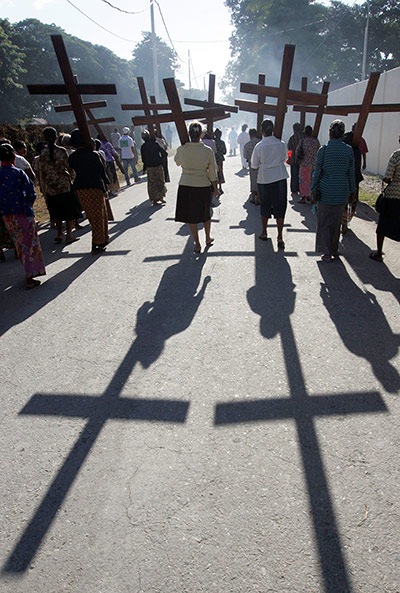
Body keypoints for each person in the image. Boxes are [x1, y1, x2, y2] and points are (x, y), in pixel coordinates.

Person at [0, 143, 46, 288]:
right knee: (30, 244)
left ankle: (29, 273)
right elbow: (31, 193)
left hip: (7, 216)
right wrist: (27, 205)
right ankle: (30, 276)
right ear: (13, 157)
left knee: (19, 244)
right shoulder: (18, 173)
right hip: (23, 213)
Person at [310, 120, 356, 262]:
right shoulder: (348, 150)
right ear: (342, 134)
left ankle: (327, 252)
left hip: (325, 192)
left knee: (324, 222)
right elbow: (351, 173)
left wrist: (313, 189)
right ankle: (334, 248)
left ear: (330, 133)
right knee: (336, 223)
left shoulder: (323, 150)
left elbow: (317, 172)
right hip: (342, 192)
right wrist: (352, 191)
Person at [175, 122, 218, 253]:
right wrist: (215, 189)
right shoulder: (207, 151)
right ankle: (207, 238)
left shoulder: (181, 149)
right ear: (201, 134)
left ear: (189, 134)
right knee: (205, 214)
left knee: (191, 216)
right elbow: (212, 173)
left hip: (186, 184)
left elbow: (177, 162)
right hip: (203, 185)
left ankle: (197, 243)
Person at [68, 129, 110, 254]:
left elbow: (72, 171)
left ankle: (101, 240)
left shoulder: (73, 157)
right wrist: (106, 185)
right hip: (95, 187)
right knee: (100, 215)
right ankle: (97, 242)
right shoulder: (94, 154)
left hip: (81, 188)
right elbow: (102, 172)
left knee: (92, 216)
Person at [38, 127, 81, 244]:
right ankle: (69, 235)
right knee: (69, 211)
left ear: (44, 139)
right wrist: (72, 177)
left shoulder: (42, 155)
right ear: (57, 137)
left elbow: (41, 173)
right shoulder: (62, 151)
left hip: (51, 187)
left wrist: (44, 187)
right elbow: (68, 167)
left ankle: (59, 234)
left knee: (56, 212)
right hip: (64, 185)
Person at [251, 119, 289, 248]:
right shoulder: (281, 143)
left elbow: (254, 165)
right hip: (280, 176)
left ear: (262, 130)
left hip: (264, 178)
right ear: (272, 129)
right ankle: (280, 236)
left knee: (265, 205)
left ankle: (264, 231)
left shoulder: (259, 146)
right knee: (280, 206)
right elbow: (285, 158)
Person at [370, 134, 400, 262]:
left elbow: (388, 176)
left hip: (393, 194)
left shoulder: (396, 155)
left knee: (383, 224)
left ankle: (379, 253)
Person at [342, 126, 364, 233]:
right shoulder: (356, 151)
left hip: (345, 181)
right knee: (353, 202)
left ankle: (344, 223)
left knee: (344, 203)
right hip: (354, 181)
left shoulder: (345, 151)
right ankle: (346, 222)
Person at [140, 130, 167, 205]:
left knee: (152, 183)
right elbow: (164, 153)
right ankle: (161, 197)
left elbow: (143, 159)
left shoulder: (143, 147)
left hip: (149, 167)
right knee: (160, 180)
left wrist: (146, 164)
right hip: (158, 165)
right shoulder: (155, 144)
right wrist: (161, 160)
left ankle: (154, 199)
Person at [295, 125, 320, 203]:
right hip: (314, 164)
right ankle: (311, 196)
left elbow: (297, 151)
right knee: (312, 181)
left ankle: (303, 197)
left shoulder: (302, 141)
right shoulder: (316, 142)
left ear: (305, 133)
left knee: (303, 181)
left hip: (304, 164)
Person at [243, 128, 260, 204]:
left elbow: (245, 155)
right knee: (259, 180)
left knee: (253, 180)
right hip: (260, 164)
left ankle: (253, 197)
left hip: (252, 164)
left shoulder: (247, 145)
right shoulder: (260, 143)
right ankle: (258, 198)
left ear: (250, 135)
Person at [287, 123, 303, 196]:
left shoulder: (292, 138)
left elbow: (289, 147)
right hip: (302, 159)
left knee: (294, 175)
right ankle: (301, 189)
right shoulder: (303, 137)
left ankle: (294, 190)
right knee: (302, 175)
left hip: (294, 158)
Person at [213, 128, 227, 195]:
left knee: (214, 173)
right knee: (220, 171)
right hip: (220, 159)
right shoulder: (222, 142)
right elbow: (224, 152)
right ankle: (220, 187)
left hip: (214, 158)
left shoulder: (213, 142)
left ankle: (214, 187)